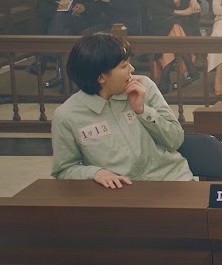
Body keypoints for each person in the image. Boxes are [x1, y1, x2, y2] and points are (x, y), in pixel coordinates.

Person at [51, 33, 194, 188]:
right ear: (101, 77)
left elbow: (175, 140)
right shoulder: (67, 115)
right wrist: (95, 173)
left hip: (172, 180)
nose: (132, 69)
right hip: (120, 192)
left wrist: (143, 111)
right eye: (124, 66)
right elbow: (64, 170)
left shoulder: (144, 86)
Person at [35, 0, 100, 89]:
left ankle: (45, 57)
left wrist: (84, 7)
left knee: (61, 19)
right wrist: (56, 8)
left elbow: (96, 5)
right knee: (64, 30)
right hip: (59, 25)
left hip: (82, 20)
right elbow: (41, 9)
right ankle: (66, 81)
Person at [142, 0, 201, 93]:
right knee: (174, 26)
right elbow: (154, 9)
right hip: (160, 23)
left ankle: (166, 75)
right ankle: (189, 68)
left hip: (186, 23)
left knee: (175, 27)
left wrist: (193, 0)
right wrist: (180, 12)